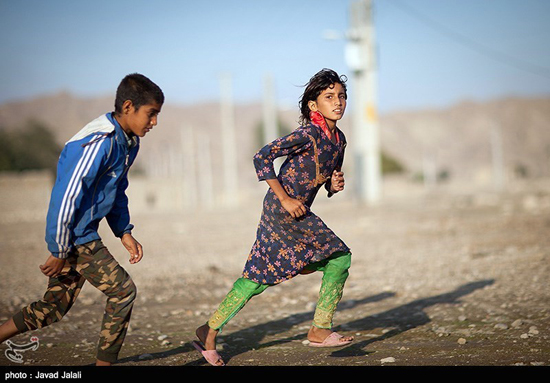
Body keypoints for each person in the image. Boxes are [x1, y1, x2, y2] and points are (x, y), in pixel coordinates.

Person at [0, 73, 164, 366]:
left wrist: (123, 230)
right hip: (76, 237)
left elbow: (116, 189)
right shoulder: (98, 142)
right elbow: (66, 198)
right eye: (151, 114)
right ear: (128, 107)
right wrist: (59, 250)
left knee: (52, 308)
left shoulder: (127, 142)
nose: (154, 123)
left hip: (79, 235)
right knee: (123, 292)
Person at [193, 68, 353, 366]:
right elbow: (262, 156)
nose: (338, 102)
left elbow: (327, 177)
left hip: (298, 211)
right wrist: (285, 197)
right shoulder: (307, 134)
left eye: (342, 96)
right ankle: (319, 328)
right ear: (313, 105)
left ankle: (209, 331)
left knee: (257, 278)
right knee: (340, 258)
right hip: (282, 210)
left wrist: (333, 185)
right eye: (329, 97)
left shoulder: (339, 140)